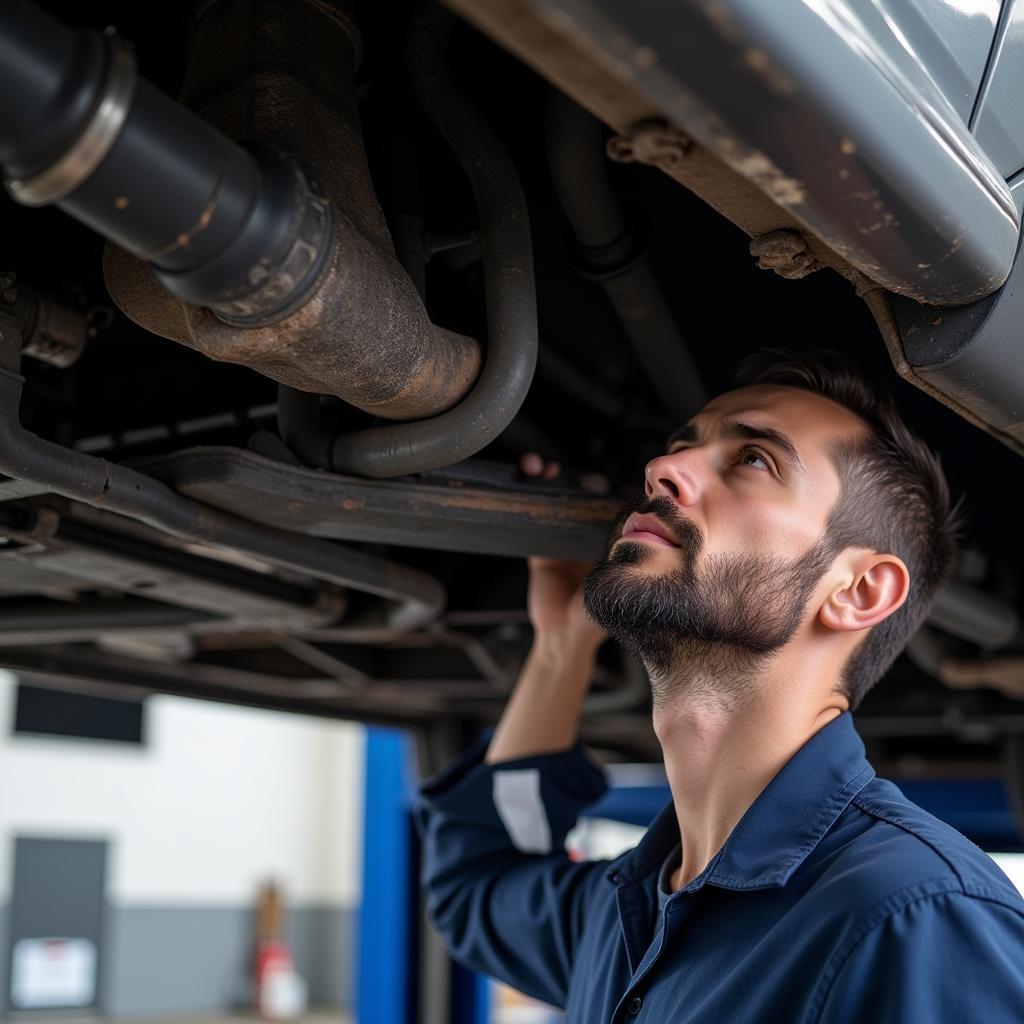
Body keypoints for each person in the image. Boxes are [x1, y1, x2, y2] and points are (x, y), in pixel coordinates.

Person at [416, 350, 1024, 1022]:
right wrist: (561, 648)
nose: (659, 469)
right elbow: (477, 884)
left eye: (755, 460)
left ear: (859, 591)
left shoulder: (917, 917)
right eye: (680, 448)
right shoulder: (626, 915)